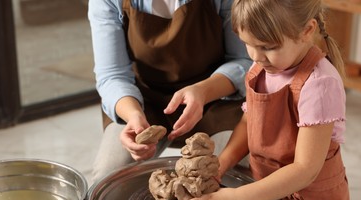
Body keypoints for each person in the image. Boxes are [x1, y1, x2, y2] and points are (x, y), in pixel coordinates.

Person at [181, 0, 356, 200]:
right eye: (247, 44)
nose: (255, 55)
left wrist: (237, 199)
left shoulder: (320, 84)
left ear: (307, 31)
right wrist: (222, 163)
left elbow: (304, 170)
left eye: (267, 47)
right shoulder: (262, 67)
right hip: (263, 193)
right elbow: (249, 121)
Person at [88, 0, 251, 184]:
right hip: (142, 100)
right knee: (108, 179)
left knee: (238, 174)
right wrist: (133, 114)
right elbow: (112, 75)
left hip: (216, 95)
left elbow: (245, 60)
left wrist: (203, 91)